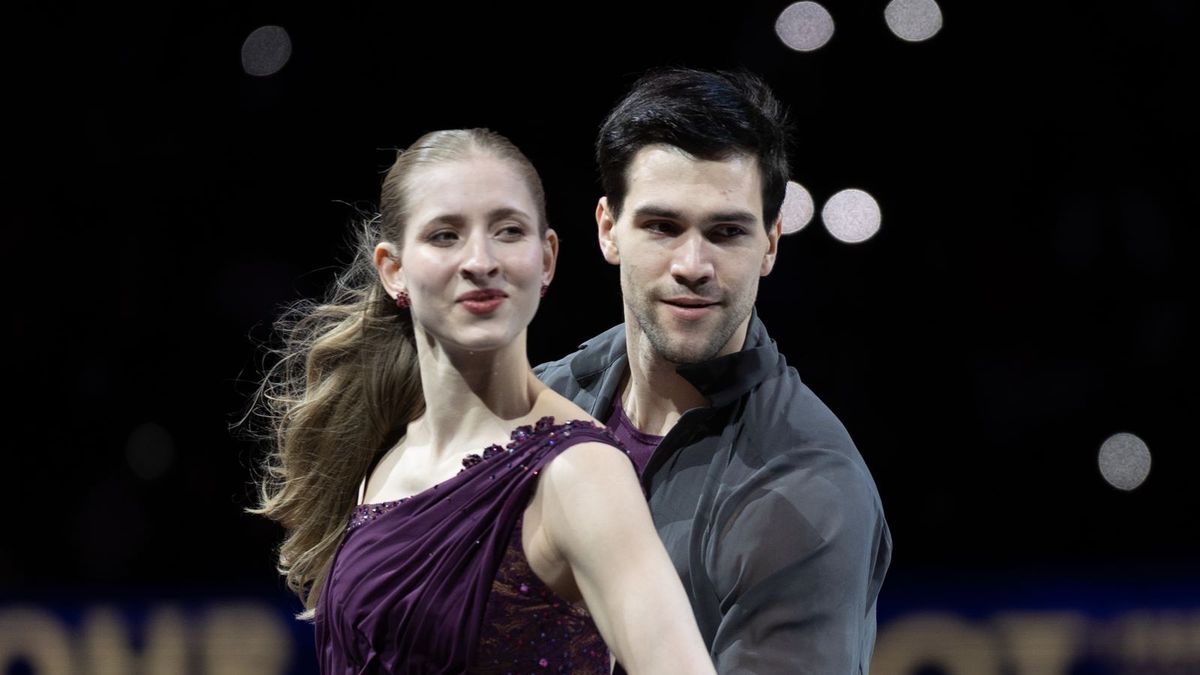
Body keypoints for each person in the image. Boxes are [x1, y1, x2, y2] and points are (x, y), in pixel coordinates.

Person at [245, 128, 715, 674]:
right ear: (393, 270)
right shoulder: (386, 457)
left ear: (546, 259)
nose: (480, 260)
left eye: (508, 231)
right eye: (446, 235)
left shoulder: (581, 473)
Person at [535, 68, 893, 673]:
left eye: (726, 231)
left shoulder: (810, 492)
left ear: (772, 243)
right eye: (662, 227)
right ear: (607, 230)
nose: (692, 264)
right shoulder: (542, 399)